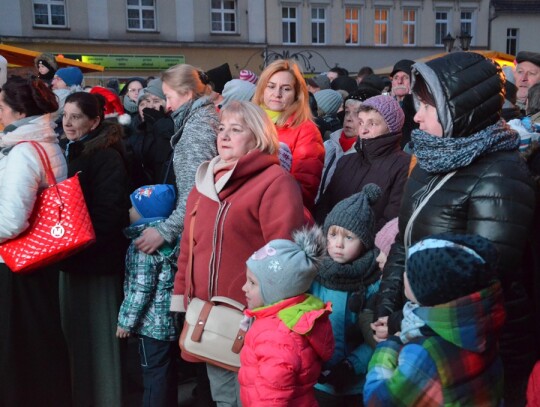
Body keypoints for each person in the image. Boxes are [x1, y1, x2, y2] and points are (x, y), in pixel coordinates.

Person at [374, 51, 537, 406]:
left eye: (427, 108)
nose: (415, 117)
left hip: (472, 346)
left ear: (458, 110)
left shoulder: (500, 175)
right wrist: (386, 307)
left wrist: (402, 316)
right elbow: (405, 239)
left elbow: (484, 279)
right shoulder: (433, 158)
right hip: (422, 329)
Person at [170, 101, 306, 406]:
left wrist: (265, 312)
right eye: (221, 128)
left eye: (236, 129)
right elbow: (188, 248)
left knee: (251, 398)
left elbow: (283, 257)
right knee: (223, 398)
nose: (225, 136)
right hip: (209, 317)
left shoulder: (275, 183)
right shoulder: (205, 182)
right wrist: (182, 300)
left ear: (257, 137)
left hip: (252, 320)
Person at [365, 233, 506, 406]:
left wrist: (388, 346)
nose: (403, 274)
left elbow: (376, 400)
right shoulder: (481, 328)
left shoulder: (425, 354)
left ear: (430, 289)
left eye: (409, 271)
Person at [0, 76, 72, 407]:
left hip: (17, 264)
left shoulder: (22, 152)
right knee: (38, 347)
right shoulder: (45, 142)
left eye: (1, 107)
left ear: (18, 112)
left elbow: (11, 220)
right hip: (40, 259)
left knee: (19, 354)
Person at [59, 91, 131, 407]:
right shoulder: (74, 151)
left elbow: (109, 214)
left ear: (95, 121)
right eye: (65, 116)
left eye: (76, 117)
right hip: (75, 259)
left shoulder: (105, 156)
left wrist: (81, 248)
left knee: (99, 342)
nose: (68, 122)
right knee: (78, 339)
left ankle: (105, 398)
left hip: (95, 264)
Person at [239, 226, 334, 406]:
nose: (244, 288)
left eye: (252, 282)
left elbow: (271, 399)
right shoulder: (285, 318)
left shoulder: (277, 336)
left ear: (277, 291)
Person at [135, 64, 219, 254]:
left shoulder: (198, 128)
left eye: (169, 96)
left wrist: (164, 231)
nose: (168, 105)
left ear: (188, 94)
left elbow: (195, 192)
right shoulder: (200, 119)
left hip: (198, 233)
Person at [310, 184, 382, 406]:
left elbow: (376, 335)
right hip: (316, 380)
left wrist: (352, 366)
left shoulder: (374, 282)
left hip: (355, 384)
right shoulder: (312, 274)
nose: (338, 244)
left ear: (365, 242)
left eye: (349, 237)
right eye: (333, 234)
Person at [117, 184, 179, 407]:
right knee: (166, 373)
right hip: (170, 320)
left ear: (145, 214)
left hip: (151, 325)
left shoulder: (143, 244)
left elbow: (140, 288)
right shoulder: (170, 239)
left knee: (153, 377)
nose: (128, 211)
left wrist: (126, 322)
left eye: (133, 207)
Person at [314, 94, 410, 231]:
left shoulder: (404, 165)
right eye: (361, 123)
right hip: (331, 244)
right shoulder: (346, 161)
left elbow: (392, 220)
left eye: (373, 123)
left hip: (372, 248)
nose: (363, 130)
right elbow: (324, 207)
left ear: (391, 128)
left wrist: (360, 245)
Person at [252, 59, 325, 211]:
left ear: (297, 94)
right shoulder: (248, 121)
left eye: (286, 89)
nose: (277, 94)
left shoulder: (306, 131)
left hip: (278, 212)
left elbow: (304, 189)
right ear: (262, 89)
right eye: (271, 86)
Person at [316, 88, 379, 202]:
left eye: (357, 113)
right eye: (347, 112)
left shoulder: (370, 154)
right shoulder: (328, 146)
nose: (349, 118)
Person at [389, 59, 418, 149]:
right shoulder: (385, 107)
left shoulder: (420, 108)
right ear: (392, 83)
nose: (399, 81)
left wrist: (409, 100)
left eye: (405, 77)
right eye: (396, 77)